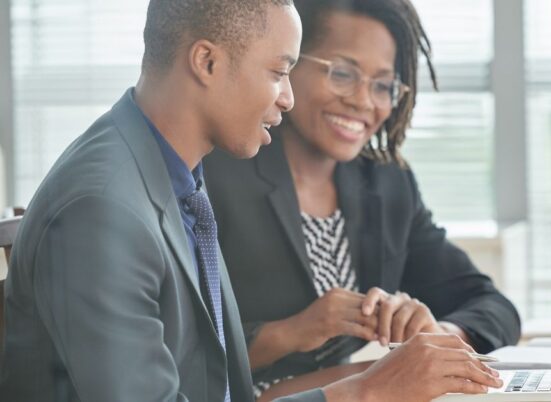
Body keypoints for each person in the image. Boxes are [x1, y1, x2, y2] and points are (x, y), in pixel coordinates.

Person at [0, 0, 501, 401]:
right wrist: (366, 391)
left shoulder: (176, 176)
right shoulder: (104, 208)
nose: (287, 97)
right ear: (207, 61)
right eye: (279, 72)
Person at [204, 0, 522, 396]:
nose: (363, 101)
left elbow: (492, 306)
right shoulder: (217, 172)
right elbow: (181, 353)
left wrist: (438, 336)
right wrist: (293, 332)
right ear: (288, 65)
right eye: (342, 73)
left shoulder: (386, 182)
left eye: (383, 85)